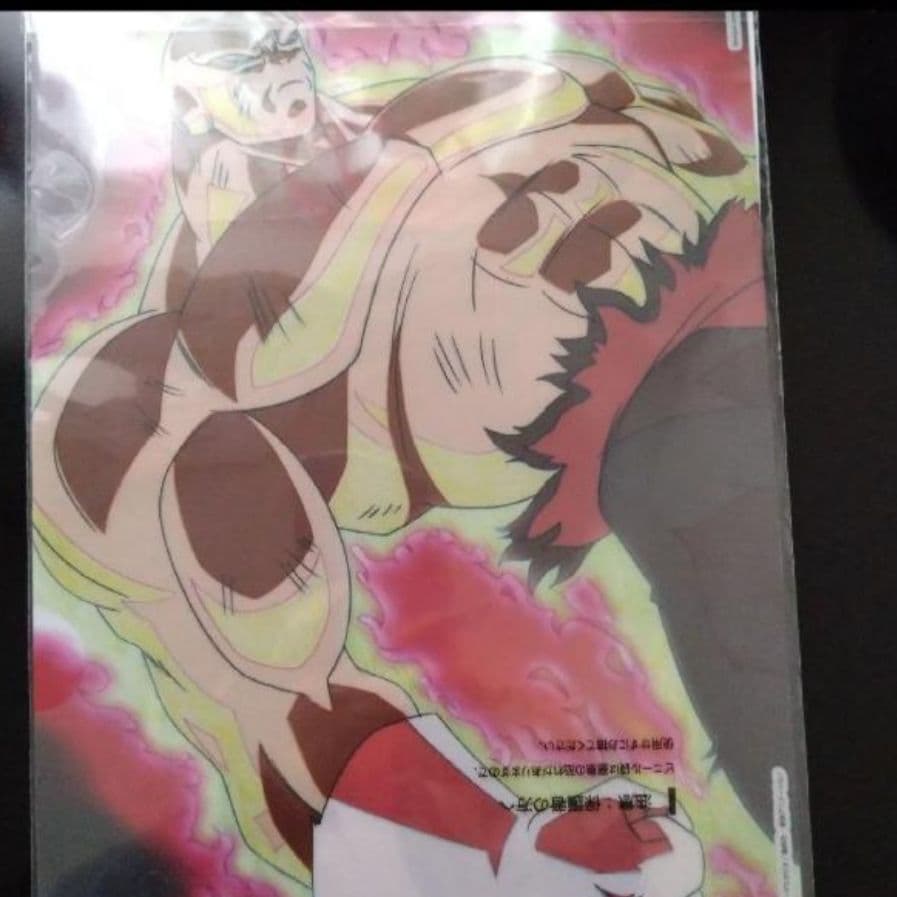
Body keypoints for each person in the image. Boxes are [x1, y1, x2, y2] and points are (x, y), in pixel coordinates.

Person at [32, 29, 781, 894]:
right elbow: (294, 715)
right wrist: (507, 848)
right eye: (526, 221)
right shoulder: (161, 431)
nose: (590, 242)